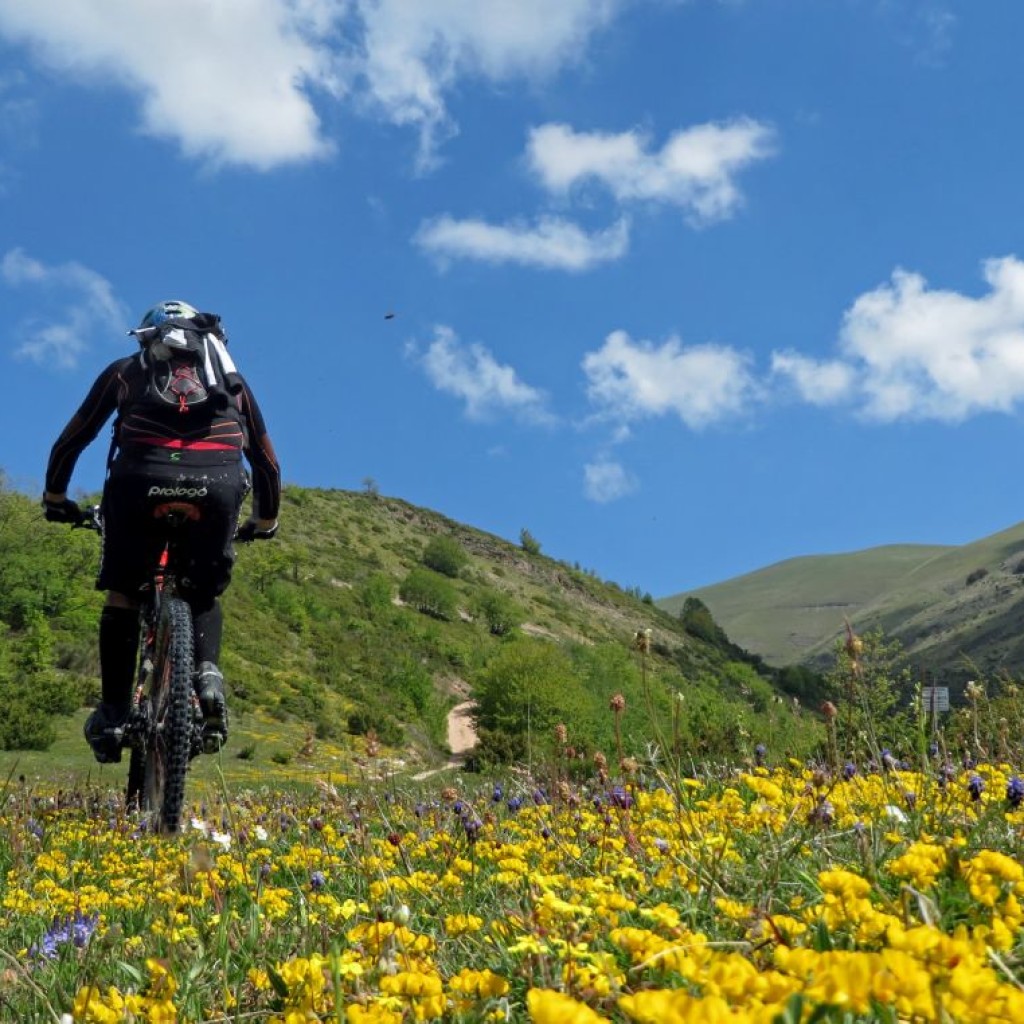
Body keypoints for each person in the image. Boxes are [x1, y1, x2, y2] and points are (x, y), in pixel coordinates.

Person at [42, 299, 281, 763]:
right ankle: (208, 675)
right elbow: (266, 461)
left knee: (124, 595)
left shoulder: (124, 371)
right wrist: (265, 519)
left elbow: (72, 438)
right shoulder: (230, 381)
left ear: (147, 337)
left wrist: (56, 498)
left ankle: (112, 712)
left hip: (137, 483)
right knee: (204, 590)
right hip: (220, 486)